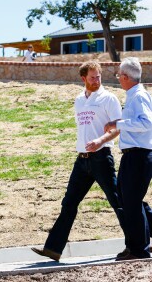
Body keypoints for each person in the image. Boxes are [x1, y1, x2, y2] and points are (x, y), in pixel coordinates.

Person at [31, 61, 126, 262]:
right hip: (82, 159)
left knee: (118, 200)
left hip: (101, 158)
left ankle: (139, 241)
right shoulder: (78, 101)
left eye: (98, 76)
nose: (97, 80)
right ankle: (53, 249)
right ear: (83, 79)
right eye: (92, 77)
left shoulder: (108, 98)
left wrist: (100, 141)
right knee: (69, 203)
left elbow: (118, 127)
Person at [104, 57, 152, 260]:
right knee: (127, 199)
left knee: (131, 202)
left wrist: (119, 123)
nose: (118, 79)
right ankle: (139, 243)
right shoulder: (134, 95)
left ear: (124, 77)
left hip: (139, 155)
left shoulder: (139, 96)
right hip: (132, 156)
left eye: (118, 75)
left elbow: (146, 123)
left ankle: (138, 249)